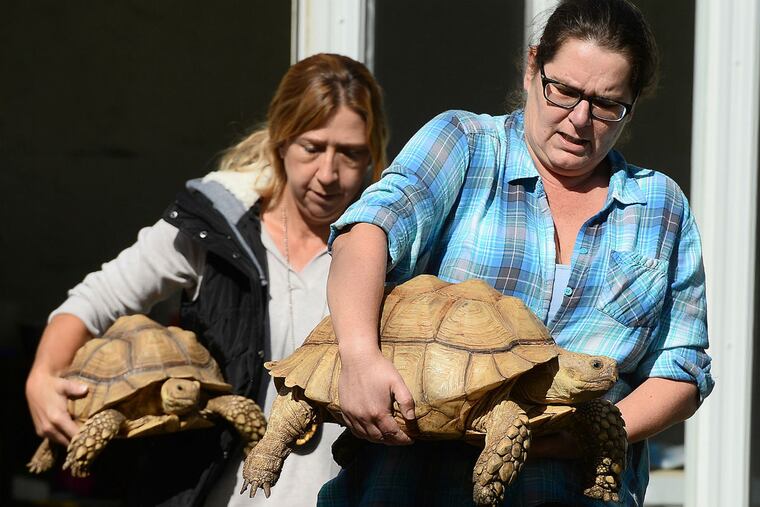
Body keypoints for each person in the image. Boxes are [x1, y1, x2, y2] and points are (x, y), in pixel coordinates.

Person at [321, 0, 714, 505]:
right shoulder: (464, 145)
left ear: (631, 104)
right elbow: (365, 231)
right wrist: (357, 357)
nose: (579, 120)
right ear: (533, 68)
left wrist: (583, 437)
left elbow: (681, 369)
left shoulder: (659, 206)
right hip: (410, 485)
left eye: (606, 104)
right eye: (565, 91)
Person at [24, 52, 388, 507]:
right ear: (281, 141)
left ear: (373, 153)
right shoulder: (215, 227)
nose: (329, 174)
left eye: (350, 154)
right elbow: (96, 298)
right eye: (312, 147)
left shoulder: (389, 243)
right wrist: (42, 375)